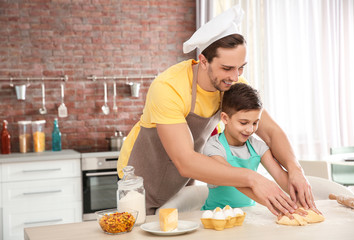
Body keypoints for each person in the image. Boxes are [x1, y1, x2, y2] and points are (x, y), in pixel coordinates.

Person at [117, 4, 315, 216]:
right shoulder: (169, 87)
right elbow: (185, 161)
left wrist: (295, 170)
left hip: (181, 184)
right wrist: (253, 178)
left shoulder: (232, 85)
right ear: (203, 61)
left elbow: (271, 132)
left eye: (241, 67)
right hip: (139, 182)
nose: (235, 76)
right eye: (227, 68)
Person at [202, 83, 291, 210]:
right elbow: (234, 179)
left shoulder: (257, 146)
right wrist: (278, 203)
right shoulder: (214, 147)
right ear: (225, 118)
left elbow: (281, 176)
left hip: (249, 216)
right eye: (244, 123)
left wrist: (299, 196)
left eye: (255, 123)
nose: (250, 129)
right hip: (216, 217)